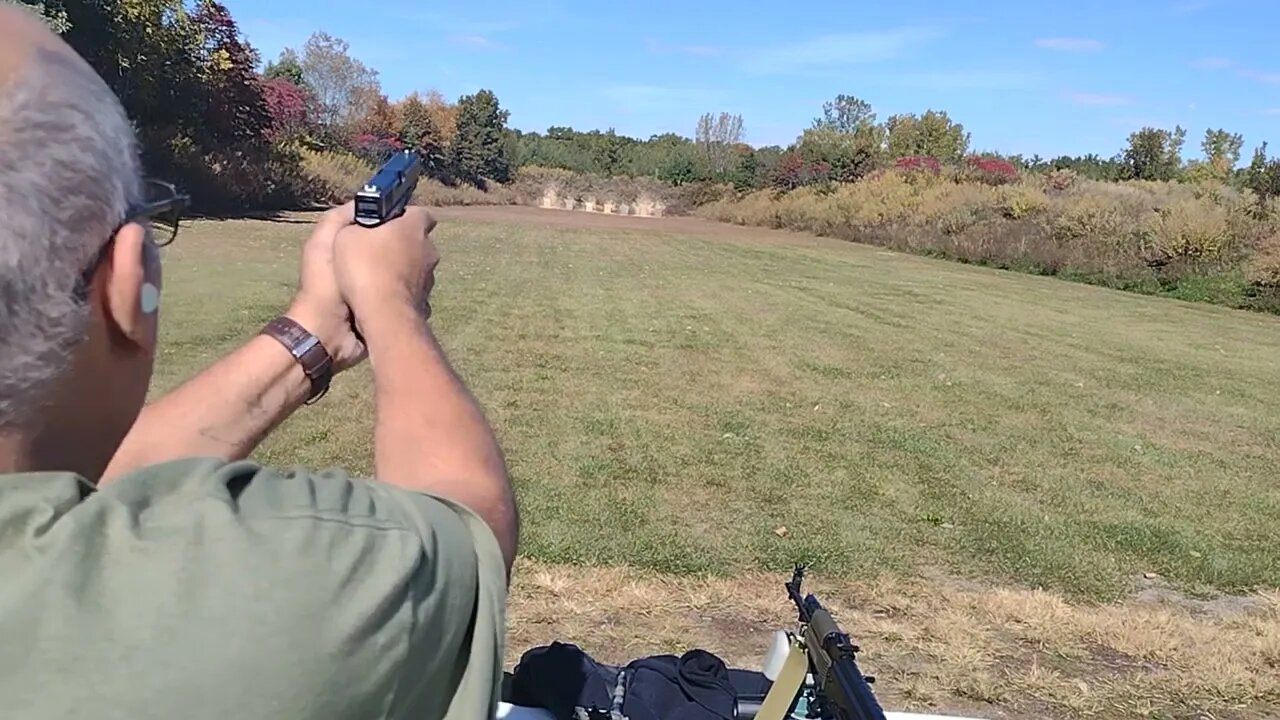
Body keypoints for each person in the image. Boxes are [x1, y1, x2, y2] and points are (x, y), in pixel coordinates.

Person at [0, 5, 518, 719]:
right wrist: (391, 302)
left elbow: (72, 483)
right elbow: (467, 530)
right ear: (130, 284)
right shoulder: (246, 592)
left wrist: (315, 329)